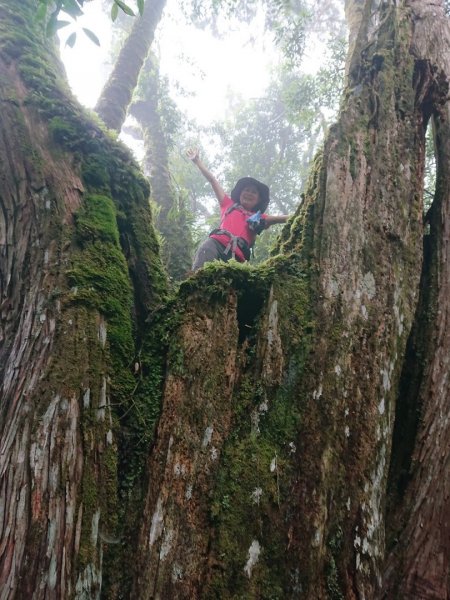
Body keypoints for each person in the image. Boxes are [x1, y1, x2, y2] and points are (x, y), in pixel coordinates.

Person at [187, 148, 289, 270]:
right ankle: (194, 285)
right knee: (204, 255)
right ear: (240, 194)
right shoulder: (228, 204)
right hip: (216, 244)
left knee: (231, 286)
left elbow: (281, 218)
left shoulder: (259, 217)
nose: (249, 193)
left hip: (238, 256)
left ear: (258, 200)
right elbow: (213, 181)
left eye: (253, 192)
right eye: (246, 190)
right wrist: (198, 161)